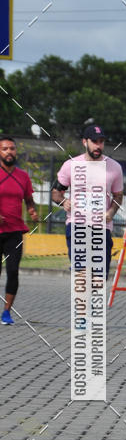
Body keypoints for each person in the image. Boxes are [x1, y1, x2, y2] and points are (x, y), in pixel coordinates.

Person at [52, 124, 123, 278]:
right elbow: (56, 193)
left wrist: (111, 212)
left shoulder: (114, 168)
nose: (98, 146)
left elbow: (118, 196)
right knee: (82, 276)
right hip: (77, 225)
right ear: (85, 142)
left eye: (101, 142)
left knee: (99, 277)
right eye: (94, 141)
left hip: (101, 227)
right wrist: (63, 202)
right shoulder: (70, 165)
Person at [0, 135, 40, 324]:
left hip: (15, 232)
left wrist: (32, 210)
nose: (9, 152)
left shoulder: (23, 176)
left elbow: (28, 199)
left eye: (12, 148)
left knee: (13, 271)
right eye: (5, 149)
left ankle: (6, 312)